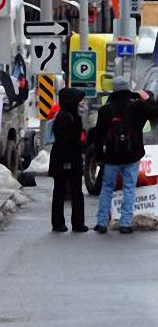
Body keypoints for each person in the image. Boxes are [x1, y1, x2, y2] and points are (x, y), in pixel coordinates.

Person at [93, 77, 158, 234]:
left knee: (107, 188)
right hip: (132, 155)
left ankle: (102, 222)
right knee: (129, 188)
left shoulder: (106, 110)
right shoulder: (138, 107)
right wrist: (146, 98)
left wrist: (99, 156)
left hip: (111, 157)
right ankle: (125, 223)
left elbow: (98, 135)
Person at [50, 88, 87, 233]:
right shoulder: (69, 118)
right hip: (68, 159)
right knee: (75, 191)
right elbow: (67, 141)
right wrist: (68, 162)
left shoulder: (63, 115)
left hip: (61, 158)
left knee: (59, 191)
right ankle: (77, 223)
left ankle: (58, 223)